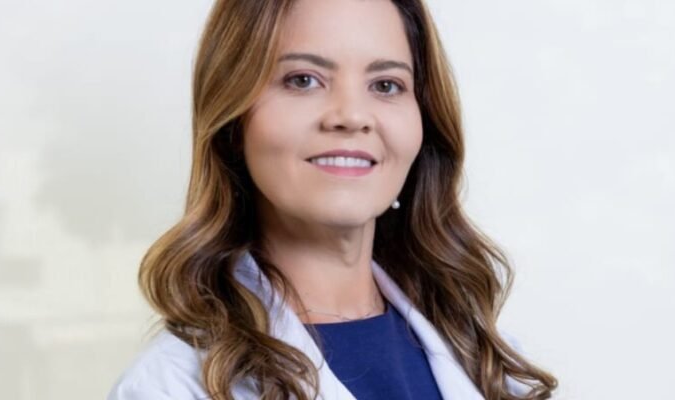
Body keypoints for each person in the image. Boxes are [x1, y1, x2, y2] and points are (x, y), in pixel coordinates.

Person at [108, 0, 557, 399]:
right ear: (233, 121)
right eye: (303, 80)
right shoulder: (169, 387)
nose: (352, 116)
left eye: (386, 85)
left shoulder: (486, 358)